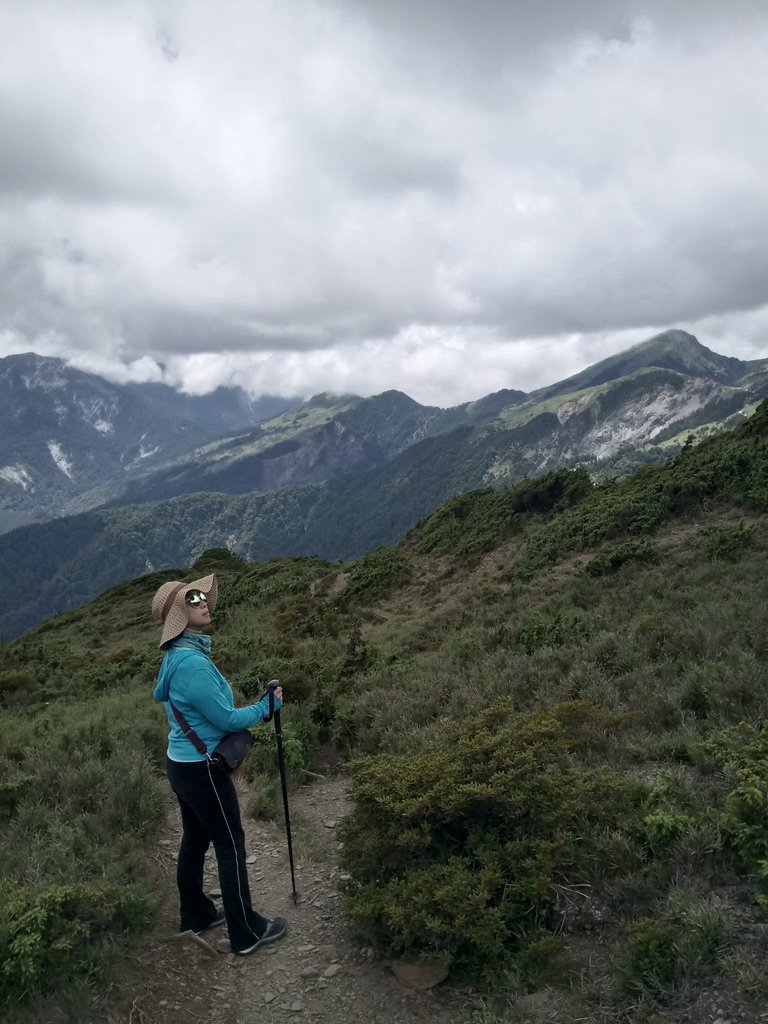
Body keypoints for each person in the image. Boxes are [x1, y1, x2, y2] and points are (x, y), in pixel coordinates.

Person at [151, 572, 288, 956]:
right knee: (229, 844)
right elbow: (226, 719)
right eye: (192, 602)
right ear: (179, 617)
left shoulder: (174, 658)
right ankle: (246, 932)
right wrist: (266, 707)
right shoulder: (192, 664)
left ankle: (195, 915)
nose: (203, 603)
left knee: (195, 839)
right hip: (204, 770)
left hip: (180, 764)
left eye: (200, 598)